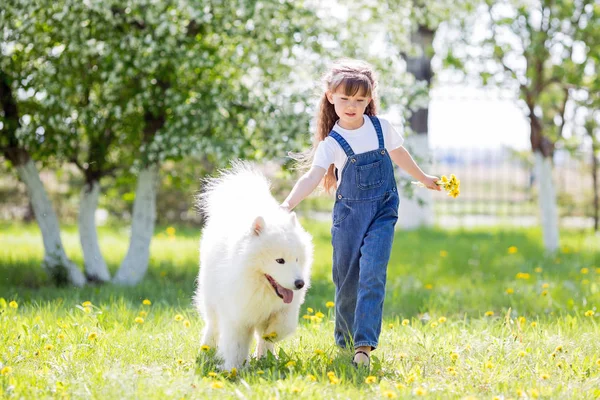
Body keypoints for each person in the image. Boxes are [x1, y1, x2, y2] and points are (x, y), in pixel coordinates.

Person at [280, 58, 441, 367]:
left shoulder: (381, 128)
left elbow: (399, 154)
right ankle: (346, 340)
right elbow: (312, 177)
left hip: (383, 212)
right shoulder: (332, 143)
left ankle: (363, 347)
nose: (352, 105)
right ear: (330, 96)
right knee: (347, 280)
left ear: (370, 99)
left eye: (359, 99)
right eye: (344, 99)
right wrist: (286, 205)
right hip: (348, 218)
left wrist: (424, 178)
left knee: (372, 275)